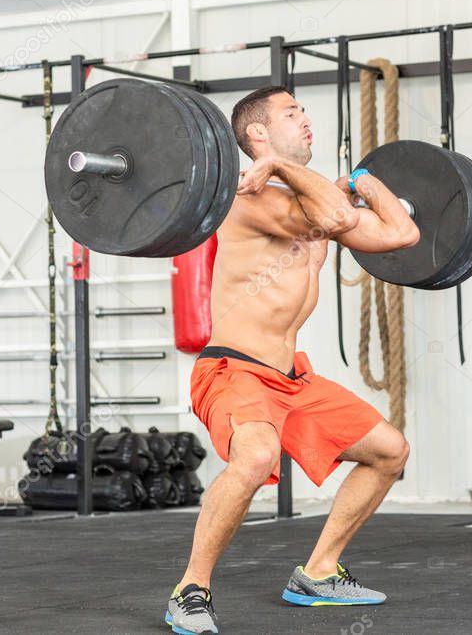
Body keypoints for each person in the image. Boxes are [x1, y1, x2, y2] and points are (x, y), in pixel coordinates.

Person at [165, 87, 420, 635]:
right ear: (257, 134)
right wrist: (297, 173)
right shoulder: (249, 197)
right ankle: (191, 589)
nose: (306, 119)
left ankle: (320, 572)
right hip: (234, 368)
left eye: (304, 110)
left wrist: (365, 180)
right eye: (291, 113)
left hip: (291, 378)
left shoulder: (306, 196)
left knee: (389, 451)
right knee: (255, 457)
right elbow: (333, 216)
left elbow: (403, 233)